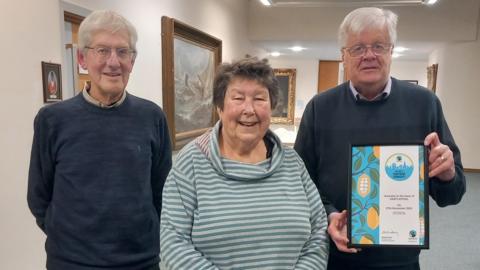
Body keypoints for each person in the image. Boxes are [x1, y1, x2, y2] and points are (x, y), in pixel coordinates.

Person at [294, 7, 466, 270]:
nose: (369, 55)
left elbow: (452, 194)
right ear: (343, 55)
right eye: (358, 48)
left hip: (400, 259)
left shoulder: (424, 103)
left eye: (378, 46)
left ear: (391, 50)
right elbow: (301, 185)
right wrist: (330, 215)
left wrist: (447, 174)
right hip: (336, 255)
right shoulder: (320, 108)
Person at [27, 10, 172, 270]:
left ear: (133, 60)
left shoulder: (152, 117)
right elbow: (38, 197)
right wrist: (69, 240)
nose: (113, 62)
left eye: (122, 51)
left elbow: (163, 192)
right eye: (102, 50)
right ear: (83, 58)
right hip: (71, 263)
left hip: (140, 261)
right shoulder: (52, 120)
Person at [160, 57, 329, 270]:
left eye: (259, 99)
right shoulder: (190, 164)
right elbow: (174, 244)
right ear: (220, 107)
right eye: (238, 98)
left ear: (271, 107)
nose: (249, 109)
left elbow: (318, 233)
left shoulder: (292, 163)